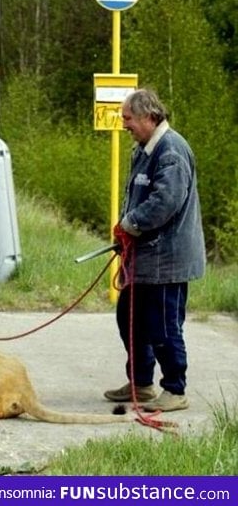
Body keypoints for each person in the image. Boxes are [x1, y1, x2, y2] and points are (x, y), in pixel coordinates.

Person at [104, 88, 206, 412]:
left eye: (128, 119)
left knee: (162, 325)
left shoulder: (171, 150)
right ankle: (142, 383)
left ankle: (175, 389)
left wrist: (129, 224)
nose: (125, 125)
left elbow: (165, 202)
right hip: (144, 257)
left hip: (167, 260)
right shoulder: (143, 148)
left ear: (148, 116)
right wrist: (125, 230)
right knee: (129, 318)